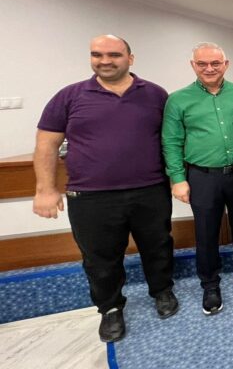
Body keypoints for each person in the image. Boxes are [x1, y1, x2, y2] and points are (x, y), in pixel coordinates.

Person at [33, 35, 177, 342]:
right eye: (97, 55)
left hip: (149, 189)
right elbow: (46, 144)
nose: (105, 61)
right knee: (100, 258)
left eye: (114, 54)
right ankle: (110, 308)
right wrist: (45, 189)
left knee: (158, 246)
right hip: (90, 196)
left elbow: (171, 138)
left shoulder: (155, 94)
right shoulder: (69, 96)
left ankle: (162, 291)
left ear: (130, 58)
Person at [162, 42, 233, 316]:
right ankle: (209, 284)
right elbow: (171, 142)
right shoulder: (178, 100)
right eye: (202, 63)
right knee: (206, 233)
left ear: (226, 64)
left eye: (215, 63)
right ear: (193, 65)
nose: (209, 68)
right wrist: (178, 179)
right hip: (202, 177)